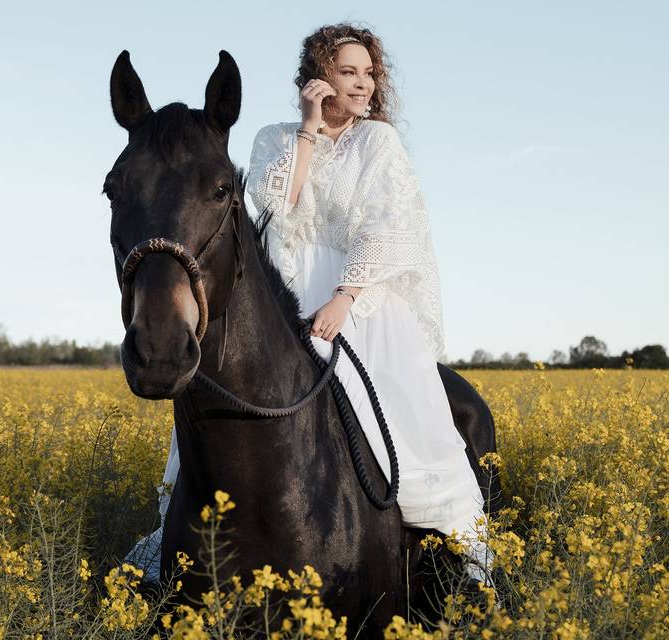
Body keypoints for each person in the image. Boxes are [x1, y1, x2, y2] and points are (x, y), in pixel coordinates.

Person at [126, 23, 491, 585]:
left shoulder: (379, 142)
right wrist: (308, 130)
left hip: (360, 298)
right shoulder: (275, 137)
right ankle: (172, 554)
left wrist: (345, 297)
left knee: (406, 425)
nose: (363, 83)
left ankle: (452, 561)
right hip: (284, 292)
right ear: (319, 76)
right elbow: (277, 208)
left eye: (369, 73)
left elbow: (388, 225)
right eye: (348, 71)